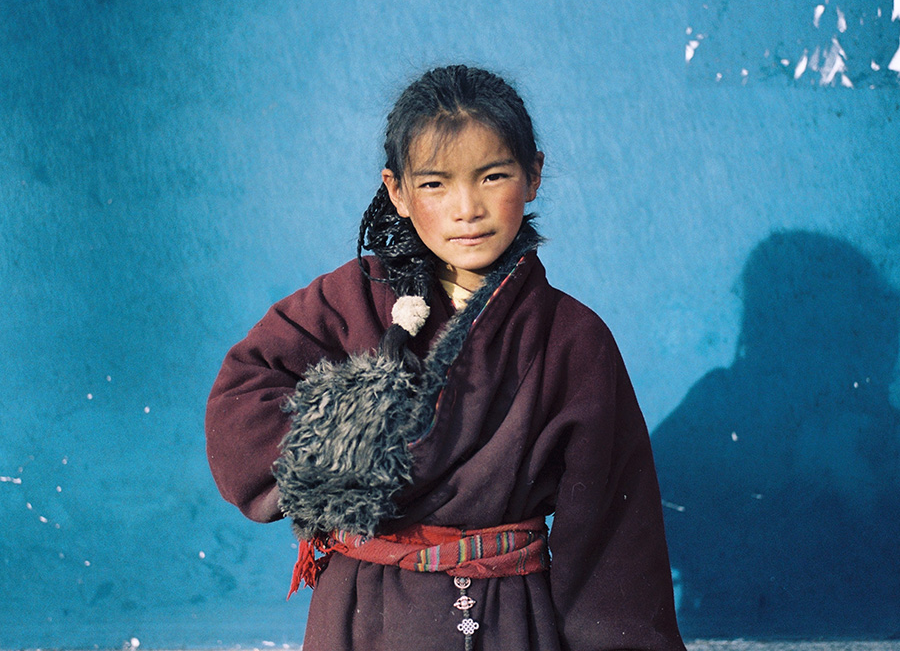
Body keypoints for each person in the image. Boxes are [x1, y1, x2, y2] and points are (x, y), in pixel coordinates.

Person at [206, 65, 684, 651]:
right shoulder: (351, 300)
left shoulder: (573, 340)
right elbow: (241, 403)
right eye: (435, 184)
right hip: (360, 614)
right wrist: (351, 439)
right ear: (397, 191)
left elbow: (612, 540)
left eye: (493, 176)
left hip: (504, 617)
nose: (467, 208)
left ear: (533, 174)